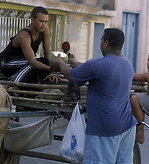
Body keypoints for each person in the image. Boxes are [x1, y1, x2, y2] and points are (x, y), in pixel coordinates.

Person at [51, 28, 137, 163]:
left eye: (101, 40)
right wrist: (76, 64)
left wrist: (60, 63)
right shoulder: (127, 64)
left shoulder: (98, 64)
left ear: (106, 43)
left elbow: (72, 76)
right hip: (126, 126)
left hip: (104, 128)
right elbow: (98, 70)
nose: (100, 43)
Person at [0, 6, 56, 83]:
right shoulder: (24, 35)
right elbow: (32, 62)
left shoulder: (45, 30)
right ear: (32, 20)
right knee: (35, 64)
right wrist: (50, 69)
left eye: (46, 22)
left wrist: (48, 73)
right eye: (41, 21)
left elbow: (47, 54)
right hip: (7, 63)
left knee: (44, 61)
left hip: (24, 63)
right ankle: (13, 84)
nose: (43, 24)